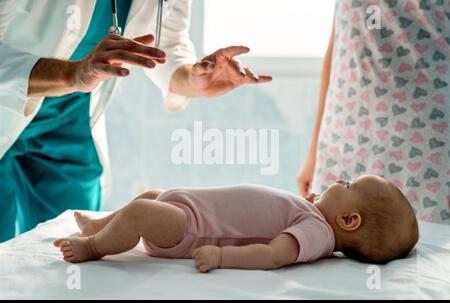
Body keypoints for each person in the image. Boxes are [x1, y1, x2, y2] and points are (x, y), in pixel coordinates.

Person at [0, 0, 271, 241]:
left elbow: (167, 41)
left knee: (69, 253)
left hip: (68, 127)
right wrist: (73, 74)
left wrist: (192, 79)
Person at [54, 175, 419, 272]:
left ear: (349, 220)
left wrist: (222, 257)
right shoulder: (315, 217)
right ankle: (100, 224)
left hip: (190, 230)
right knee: (149, 195)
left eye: (348, 184)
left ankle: (94, 247)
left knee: (140, 214)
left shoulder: (317, 234)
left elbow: (275, 255)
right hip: (190, 206)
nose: (339, 181)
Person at [296, 0, 450, 223]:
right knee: (330, 242)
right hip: (343, 136)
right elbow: (340, 40)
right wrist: (314, 153)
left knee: (430, 250)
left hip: (427, 145)